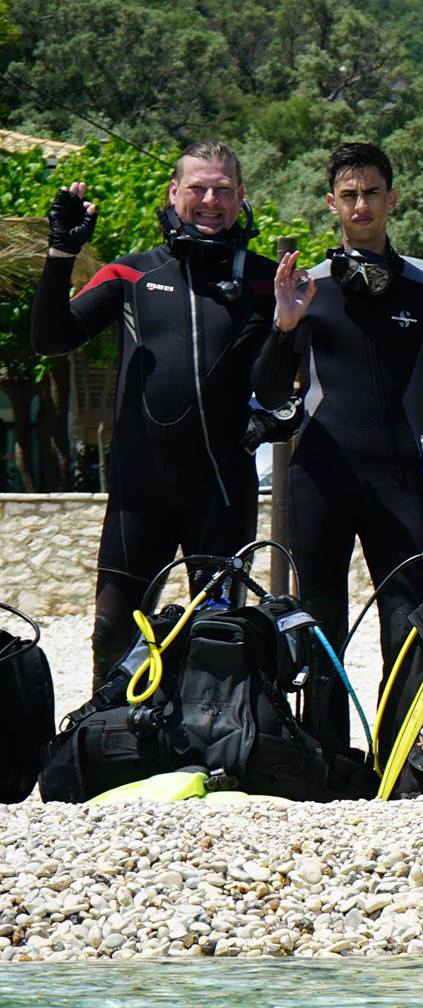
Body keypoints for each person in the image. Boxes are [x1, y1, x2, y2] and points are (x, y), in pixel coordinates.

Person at [30, 141, 283, 680]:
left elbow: (293, 377)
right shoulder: (130, 275)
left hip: (221, 490)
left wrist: (280, 413)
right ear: (174, 193)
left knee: (221, 640)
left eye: (223, 189)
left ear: (240, 197)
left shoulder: (268, 282)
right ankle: (108, 751)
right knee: (110, 631)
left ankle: (210, 755)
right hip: (139, 494)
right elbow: (50, 339)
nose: (210, 199)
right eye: (197, 188)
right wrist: (60, 255)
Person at [260, 142, 423, 745]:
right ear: (332, 203)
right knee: (320, 621)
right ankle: (325, 756)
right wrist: (283, 326)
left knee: (405, 623)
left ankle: (397, 755)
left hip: (397, 479)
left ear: (392, 199)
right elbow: (269, 391)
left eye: (372, 193)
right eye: (349, 195)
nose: (361, 205)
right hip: (319, 478)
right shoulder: (307, 289)